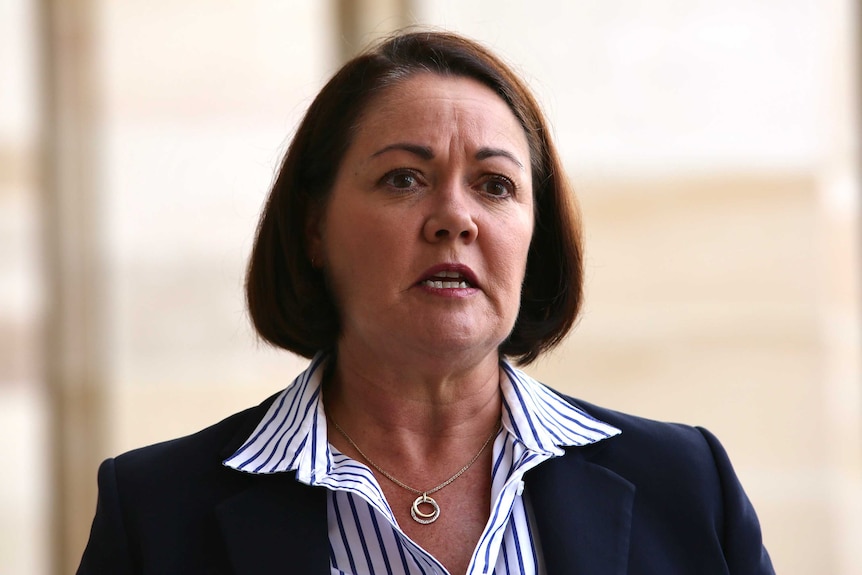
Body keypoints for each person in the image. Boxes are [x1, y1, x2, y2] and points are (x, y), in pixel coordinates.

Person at [77, 30, 775, 575]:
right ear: (315, 226)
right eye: (404, 178)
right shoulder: (157, 510)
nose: (455, 218)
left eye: (495, 185)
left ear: (537, 231)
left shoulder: (684, 483)